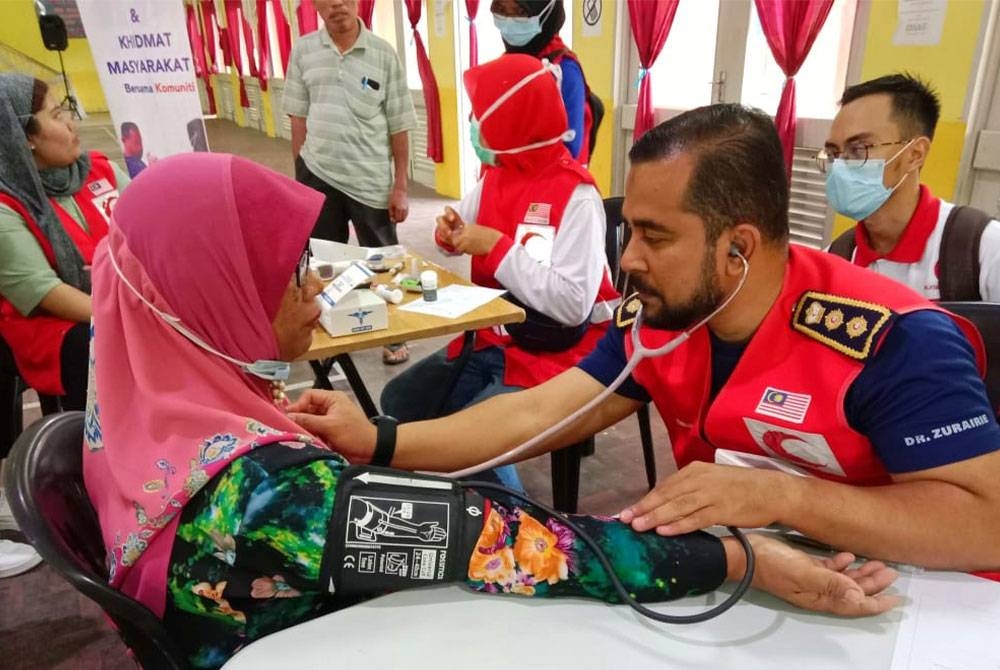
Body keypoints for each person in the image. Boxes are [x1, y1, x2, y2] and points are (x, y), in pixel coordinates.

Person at [84, 153, 899, 670]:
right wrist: (738, 558)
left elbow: (544, 410)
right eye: (288, 273)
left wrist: (367, 440)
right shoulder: (277, 497)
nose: (314, 291)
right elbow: (514, 542)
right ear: (210, 298)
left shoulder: (148, 420)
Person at [294, 104, 1000, 574]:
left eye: (654, 236)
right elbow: (543, 410)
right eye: (629, 228)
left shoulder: (892, 341)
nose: (627, 259)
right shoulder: (665, 320)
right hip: (750, 576)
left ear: (739, 248)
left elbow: (985, 524)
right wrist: (380, 441)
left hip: (900, 601)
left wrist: (785, 500)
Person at [380, 54, 617, 491]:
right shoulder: (495, 177)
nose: (475, 125)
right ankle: (448, 502)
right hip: (497, 336)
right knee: (399, 400)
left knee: (478, 439)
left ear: (515, 120)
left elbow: (571, 306)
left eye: (482, 115)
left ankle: (512, 531)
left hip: (564, 352)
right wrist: (446, 233)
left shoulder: (576, 195)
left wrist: (496, 248)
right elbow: (457, 230)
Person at [0, 72, 127, 577]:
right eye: (56, 115)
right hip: (56, 325)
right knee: (90, 345)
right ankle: (99, 479)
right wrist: (123, 318)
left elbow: (146, 234)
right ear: (23, 137)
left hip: (119, 303)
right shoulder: (8, 205)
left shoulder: (99, 171)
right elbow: (41, 291)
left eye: (66, 109)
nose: (71, 123)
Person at [283, 0, 416, 364]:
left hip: (370, 177)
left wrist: (400, 186)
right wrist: (300, 176)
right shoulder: (304, 51)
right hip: (317, 173)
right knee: (321, 262)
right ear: (316, 6)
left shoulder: (383, 54)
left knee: (381, 260)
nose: (337, 5)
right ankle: (326, 331)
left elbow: (400, 125)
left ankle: (393, 335)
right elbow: (298, 118)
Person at [823, 73, 1000, 300]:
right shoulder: (838, 257)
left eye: (859, 149)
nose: (840, 165)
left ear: (915, 154)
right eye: (832, 153)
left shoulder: (982, 250)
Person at [492, 0, 599, 164]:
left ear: (546, 13)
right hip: (506, 182)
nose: (509, 21)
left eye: (520, 12)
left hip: (551, 184)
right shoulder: (505, 64)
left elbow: (569, 148)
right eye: (501, 11)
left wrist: (504, 156)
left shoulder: (565, 70)